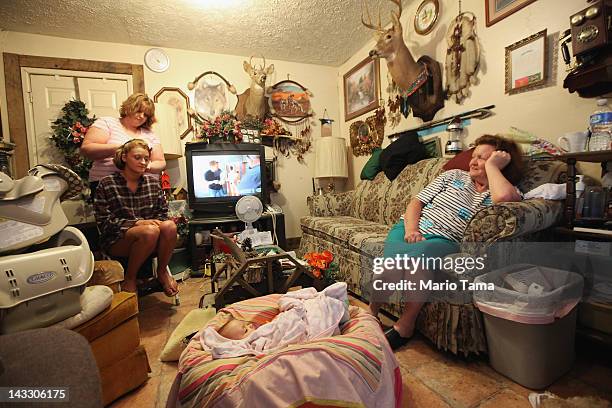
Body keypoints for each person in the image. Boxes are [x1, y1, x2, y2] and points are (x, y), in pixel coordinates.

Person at [369, 134, 524, 350]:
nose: (473, 161)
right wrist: (411, 230)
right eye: (474, 155)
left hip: (444, 240)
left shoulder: (498, 189)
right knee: (402, 267)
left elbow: (506, 199)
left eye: (483, 158)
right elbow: (416, 203)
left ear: (499, 164)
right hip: (408, 229)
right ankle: (372, 313)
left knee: (413, 260)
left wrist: (493, 169)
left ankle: (406, 323)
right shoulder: (452, 176)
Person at [94, 139, 179, 297]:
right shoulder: (107, 184)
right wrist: (137, 223)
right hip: (117, 240)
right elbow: (104, 222)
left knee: (169, 226)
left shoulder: (153, 183)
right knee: (149, 231)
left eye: (146, 159)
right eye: (138, 157)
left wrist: (155, 224)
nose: (143, 162)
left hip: (152, 240)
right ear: (125, 157)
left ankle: (162, 272)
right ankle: (130, 278)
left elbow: (162, 214)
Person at [201, 282, 350, 359]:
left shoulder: (261, 330)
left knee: (297, 303)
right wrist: (294, 312)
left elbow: (277, 325)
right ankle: (331, 305)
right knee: (318, 306)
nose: (251, 325)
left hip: (289, 323)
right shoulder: (255, 342)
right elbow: (283, 332)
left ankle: (330, 304)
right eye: (246, 329)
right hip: (299, 328)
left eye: (246, 323)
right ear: (238, 342)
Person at [81, 93, 166, 197]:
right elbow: (87, 149)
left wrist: (145, 166)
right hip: (109, 187)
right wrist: (121, 149)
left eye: (146, 115)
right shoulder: (107, 123)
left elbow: (161, 162)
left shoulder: (150, 134)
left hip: (145, 188)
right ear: (129, 107)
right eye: (139, 111)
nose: (142, 116)